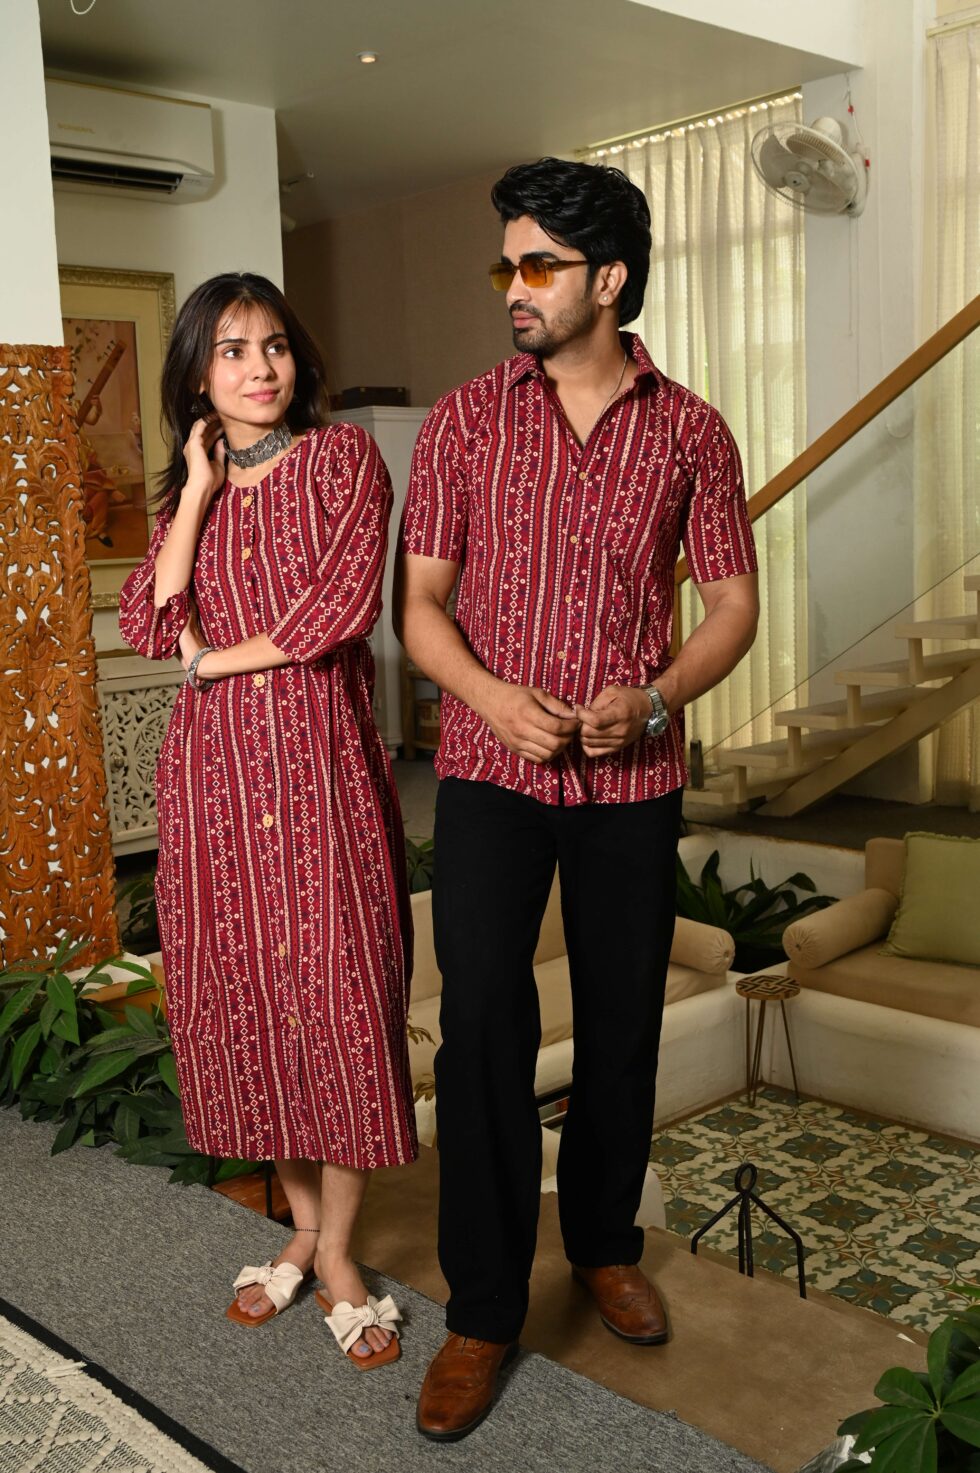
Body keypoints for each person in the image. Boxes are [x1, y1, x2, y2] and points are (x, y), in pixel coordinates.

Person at [395, 157, 760, 1439]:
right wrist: (491, 698)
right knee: (484, 1031)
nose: (513, 285)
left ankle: (604, 1243)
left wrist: (654, 699)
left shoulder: (691, 430)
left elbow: (731, 605)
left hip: (632, 778)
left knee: (619, 1024)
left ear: (607, 279)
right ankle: (483, 1310)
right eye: (506, 263)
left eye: (537, 264)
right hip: (489, 777)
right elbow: (419, 608)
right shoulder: (461, 421)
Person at [119, 272, 416, 1370]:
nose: (261, 368)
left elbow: (337, 611)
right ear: (199, 375)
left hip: (317, 768)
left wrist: (209, 662)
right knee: (248, 1002)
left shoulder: (342, 461)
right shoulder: (189, 493)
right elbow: (146, 619)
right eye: (234, 351)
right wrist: (198, 490)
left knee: (335, 999)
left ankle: (337, 1251)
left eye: (275, 345)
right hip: (212, 785)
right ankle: (297, 1228)